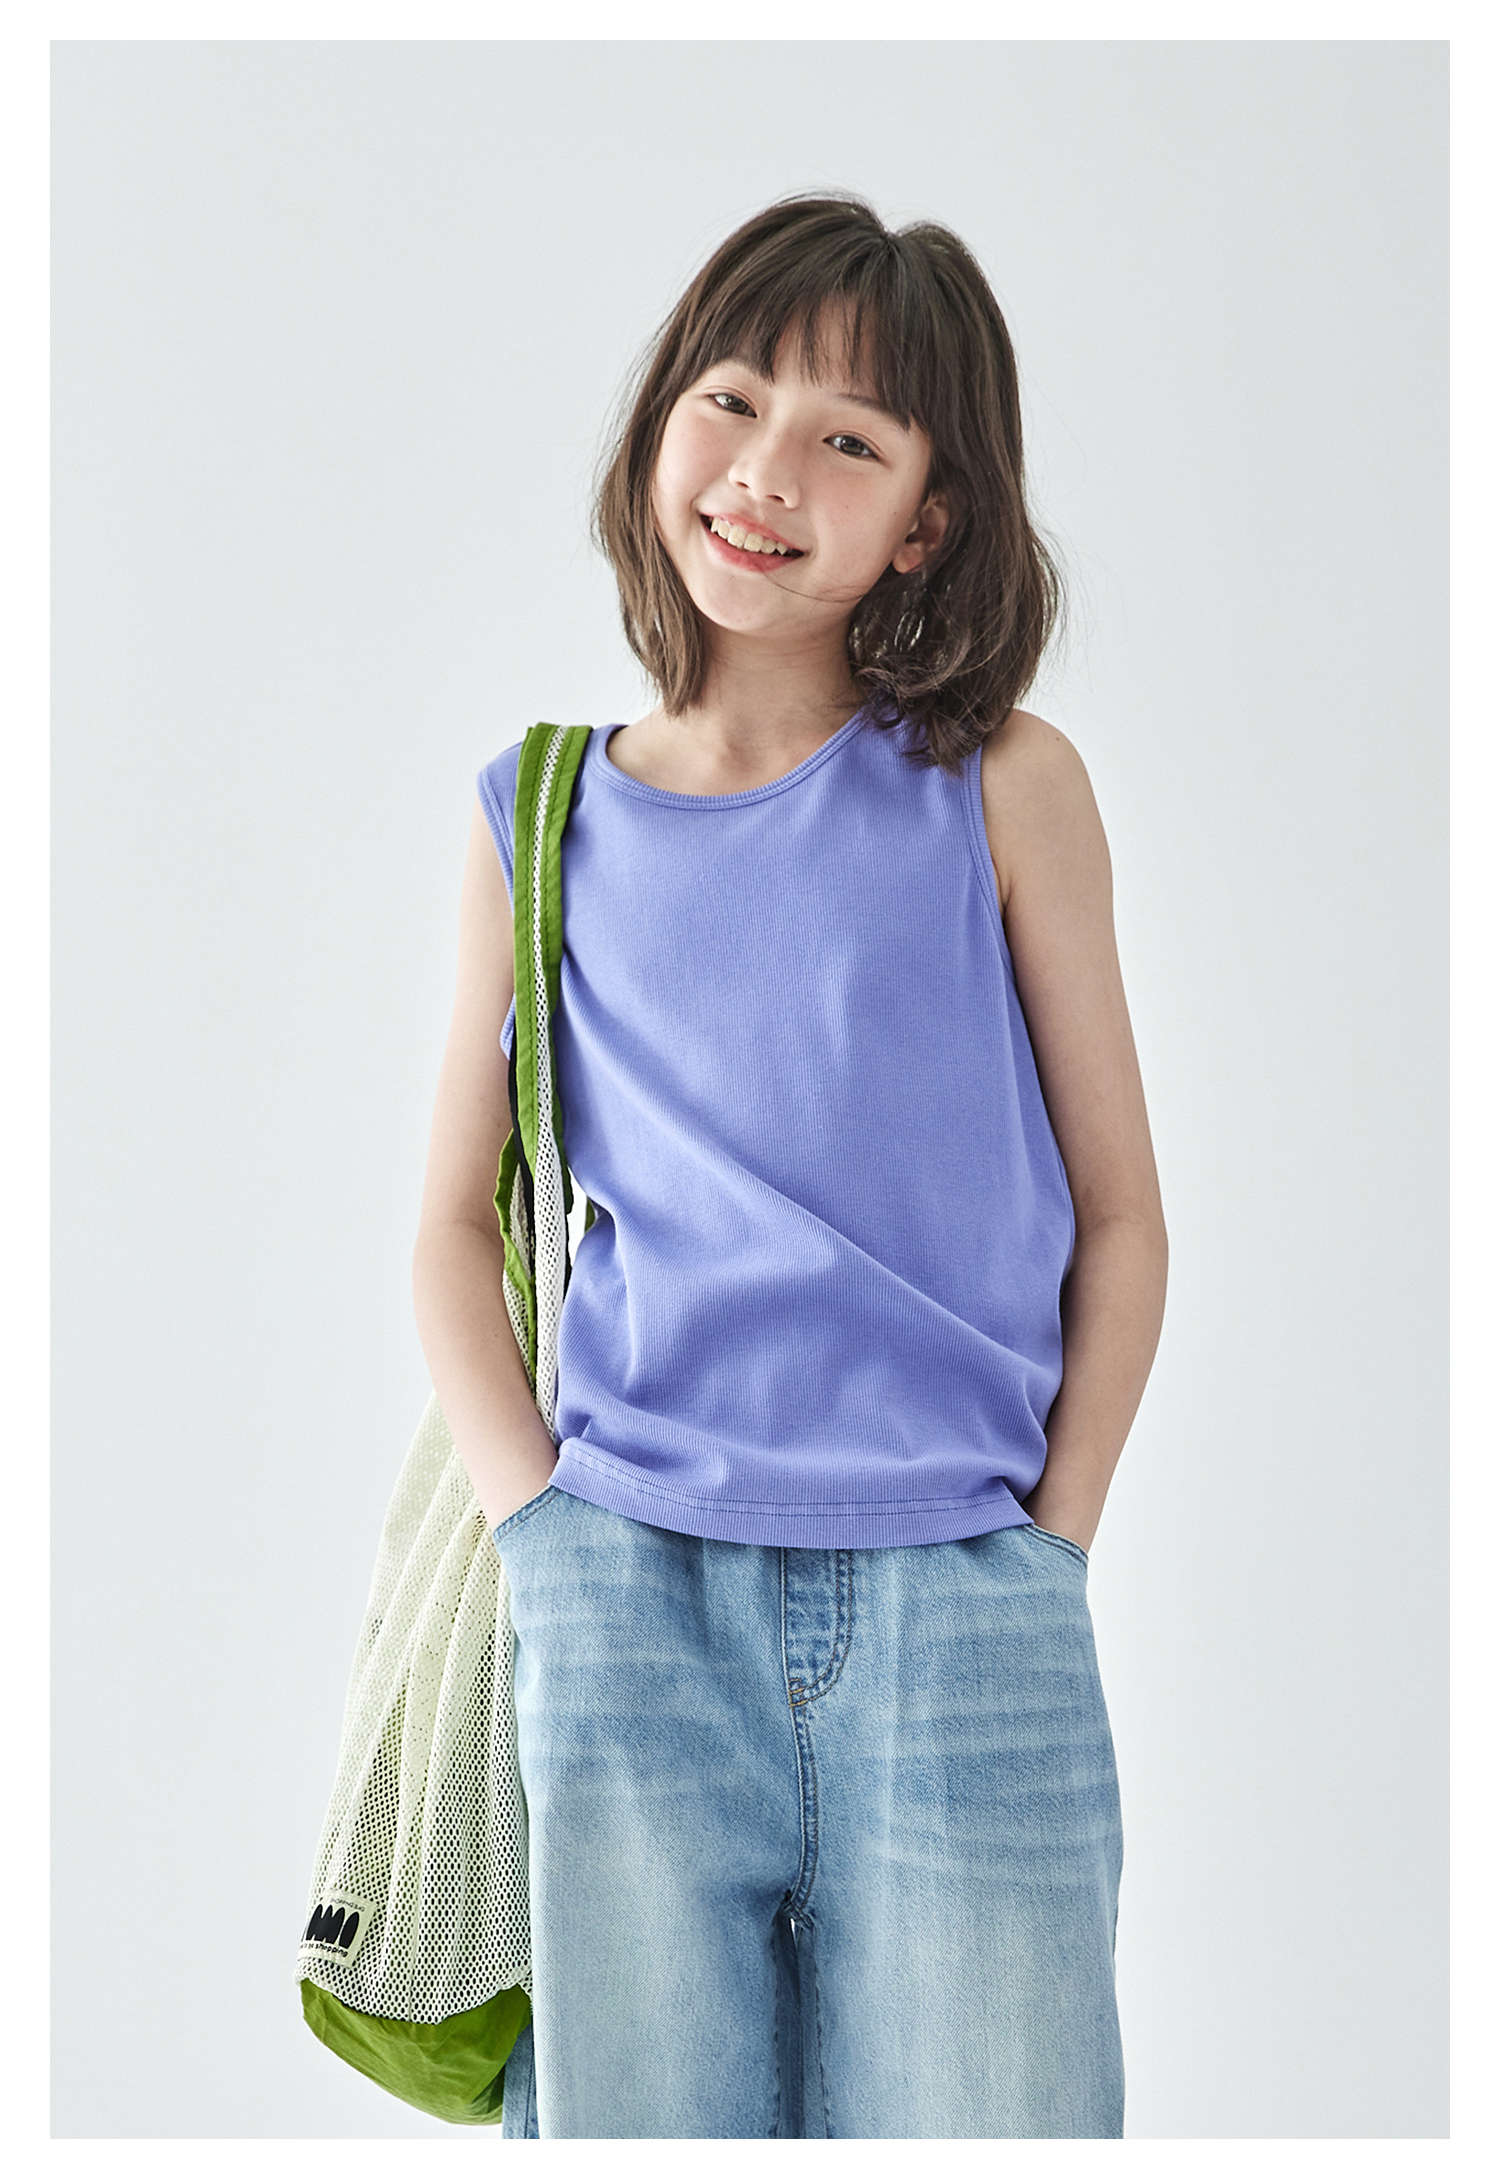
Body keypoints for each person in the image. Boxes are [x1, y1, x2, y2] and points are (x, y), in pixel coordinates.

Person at [410, 189, 1168, 2140]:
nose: (767, 471)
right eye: (733, 401)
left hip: (964, 1605)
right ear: (662, 423)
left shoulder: (1003, 785)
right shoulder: (541, 812)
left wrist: (1049, 1545)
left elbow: (1120, 1214)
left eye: (848, 438)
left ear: (924, 521)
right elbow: (449, 1224)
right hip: (630, 1596)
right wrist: (544, 1537)